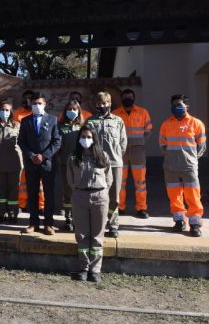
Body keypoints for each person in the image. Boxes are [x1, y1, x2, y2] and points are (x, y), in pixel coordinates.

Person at [67, 125, 112, 283]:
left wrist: (102, 191)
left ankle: (95, 270)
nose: (85, 140)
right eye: (83, 137)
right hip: (80, 196)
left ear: (94, 139)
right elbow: (70, 178)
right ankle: (84, 268)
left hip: (99, 197)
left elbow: (109, 178)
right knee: (82, 235)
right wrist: (78, 190)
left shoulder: (102, 156)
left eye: (88, 137)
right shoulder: (74, 157)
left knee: (97, 235)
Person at [159, 94, 206, 237]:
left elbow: (201, 146)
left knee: (192, 195)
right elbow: (163, 146)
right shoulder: (166, 124)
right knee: (174, 195)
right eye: (173, 105)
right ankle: (179, 221)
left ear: (187, 106)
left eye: (179, 104)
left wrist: (190, 159)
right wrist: (173, 158)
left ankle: (195, 223)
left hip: (189, 167)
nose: (176, 107)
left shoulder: (196, 123)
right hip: (171, 166)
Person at [18, 92, 61, 235]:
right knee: (32, 193)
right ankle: (33, 223)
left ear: (45, 104)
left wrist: (44, 155)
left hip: (47, 163)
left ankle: (48, 224)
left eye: (39, 103)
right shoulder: (25, 121)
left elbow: (57, 141)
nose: (36, 106)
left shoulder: (53, 119)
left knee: (49, 194)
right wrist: (31, 155)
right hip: (31, 163)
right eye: (34, 103)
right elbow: (21, 141)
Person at [86, 91, 127, 238]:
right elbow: (86, 142)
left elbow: (123, 143)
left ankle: (113, 224)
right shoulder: (90, 122)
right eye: (99, 104)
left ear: (109, 104)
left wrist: (115, 157)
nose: (102, 106)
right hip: (96, 164)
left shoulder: (118, 121)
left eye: (105, 103)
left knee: (114, 197)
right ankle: (98, 224)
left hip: (115, 164)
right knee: (97, 195)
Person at [112, 89, 152, 218]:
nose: (127, 99)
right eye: (125, 97)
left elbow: (148, 130)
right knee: (120, 181)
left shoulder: (143, 112)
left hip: (137, 151)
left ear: (134, 98)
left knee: (140, 181)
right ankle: (120, 207)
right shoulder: (115, 113)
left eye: (130, 97)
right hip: (120, 151)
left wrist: (140, 142)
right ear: (121, 98)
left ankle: (141, 208)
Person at [0, 100, 23, 223]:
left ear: (11, 112)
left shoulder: (17, 125)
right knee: (1, 190)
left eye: (7, 110)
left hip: (14, 163)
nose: (4, 112)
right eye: (2, 110)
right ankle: (1, 213)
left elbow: (21, 143)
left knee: (13, 190)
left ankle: (13, 213)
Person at [13, 90, 45, 213]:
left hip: (40, 153)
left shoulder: (41, 114)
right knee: (23, 179)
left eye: (29, 98)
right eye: (24, 98)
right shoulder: (17, 113)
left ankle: (41, 205)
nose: (27, 100)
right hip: (24, 150)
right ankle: (23, 204)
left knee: (41, 182)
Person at [56, 100, 85, 231]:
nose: (72, 111)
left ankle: (79, 218)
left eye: (75, 109)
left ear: (79, 111)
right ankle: (68, 218)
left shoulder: (83, 126)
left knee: (79, 192)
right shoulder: (60, 126)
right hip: (64, 164)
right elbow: (57, 144)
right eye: (69, 109)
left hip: (80, 164)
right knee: (67, 193)